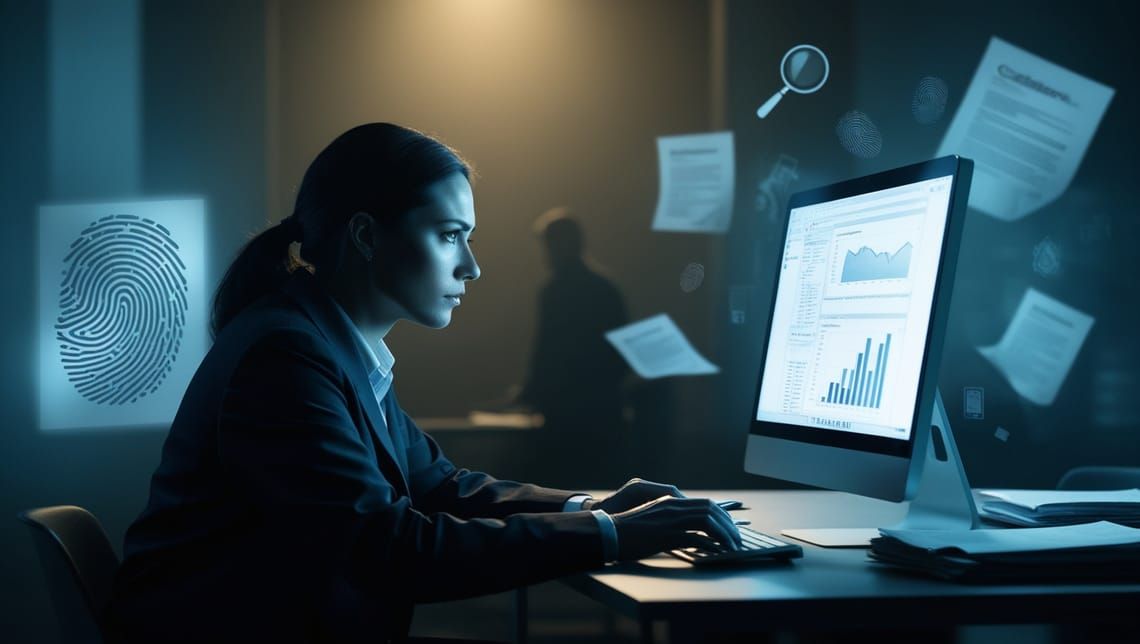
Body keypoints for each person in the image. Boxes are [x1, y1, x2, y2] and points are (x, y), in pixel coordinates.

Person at [106, 123, 741, 644]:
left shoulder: (328, 343)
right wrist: (609, 536)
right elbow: (388, 548)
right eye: (448, 236)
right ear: (365, 236)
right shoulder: (287, 358)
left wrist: (592, 507)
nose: (472, 265)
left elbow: (441, 487)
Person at [515, 207, 629, 485]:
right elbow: (621, 353)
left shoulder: (555, 291)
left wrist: (529, 393)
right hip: (604, 411)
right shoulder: (606, 288)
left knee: (563, 486)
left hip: (564, 414)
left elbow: (547, 351)